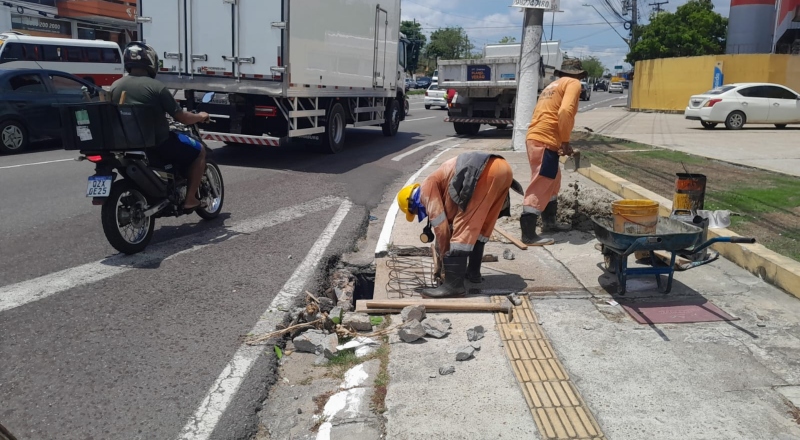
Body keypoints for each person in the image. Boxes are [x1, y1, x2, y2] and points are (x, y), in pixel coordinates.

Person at [397, 152, 522, 298]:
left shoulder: (426, 188)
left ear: (412, 203)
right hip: (503, 170)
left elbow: (442, 230)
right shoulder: (440, 181)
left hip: (484, 173)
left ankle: (453, 286)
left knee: (464, 227)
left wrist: (445, 265)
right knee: (482, 225)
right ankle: (473, 273)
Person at [110, 42, 210, 211]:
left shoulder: (115, 85)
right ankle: (190, 199)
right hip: (157, 143)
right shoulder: (156, 87)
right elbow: (183, 118)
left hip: (125, 143)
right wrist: (200, 116)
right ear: (151, 62)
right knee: (199, 151)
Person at [519, 59, 587, 246]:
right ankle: (528, 234)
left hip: (538, 137)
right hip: (545, 140)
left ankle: (549, 223)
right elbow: (565, 111)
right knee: (542, 182)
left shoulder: (552, 85)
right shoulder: (573, 83)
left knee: (553, 179)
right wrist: (565, 141)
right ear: (578, 74)